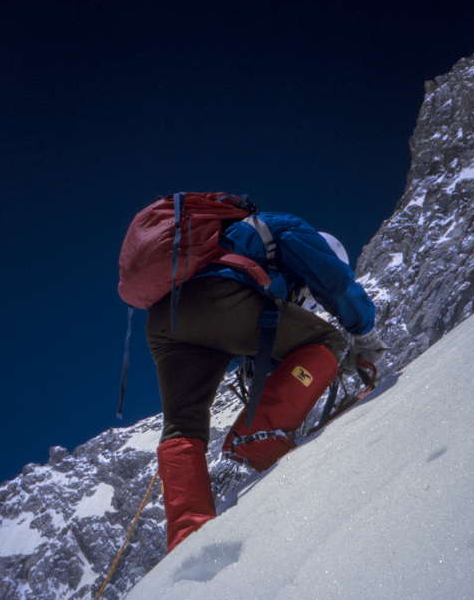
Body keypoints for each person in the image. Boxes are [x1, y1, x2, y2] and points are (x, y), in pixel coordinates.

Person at [146, 209, 385, 550]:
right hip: (215, 296)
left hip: (165, 319)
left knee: (183, 425)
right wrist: (362, 333)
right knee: (329, 339)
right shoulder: (295, 231)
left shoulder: (239, 246)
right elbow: (335, 283)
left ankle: (188, 532)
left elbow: (269, 357)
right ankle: (257, 436)